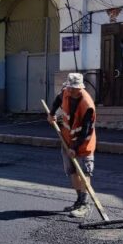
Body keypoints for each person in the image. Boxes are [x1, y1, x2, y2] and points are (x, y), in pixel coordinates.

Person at [48, 73, 97, 219]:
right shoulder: (66, 93)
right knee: (72, 172)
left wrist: (74, 148)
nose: (68, 90)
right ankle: (78, 201)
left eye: (71, 88)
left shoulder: (87, 105)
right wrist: (52, 114)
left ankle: (85, 205)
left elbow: (85, 130)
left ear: (79, 89)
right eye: (68, 87)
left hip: (83, 143)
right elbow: (57, 100)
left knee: (85, 173)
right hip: (67, 139)